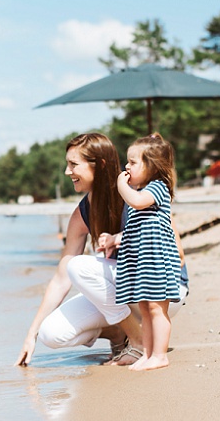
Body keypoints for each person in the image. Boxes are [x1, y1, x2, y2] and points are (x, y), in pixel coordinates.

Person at [15, 132, 188, 368]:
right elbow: (60, 279)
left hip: (162, 285)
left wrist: (126, 249)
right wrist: (30, 334)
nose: (68, 172)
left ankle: (138, 342)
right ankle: (120, 333)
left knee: (80, 266)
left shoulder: (140, 195)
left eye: (73, 164)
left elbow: (177, 255)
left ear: (101, 165)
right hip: (125, 286)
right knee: (51, 334)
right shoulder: (83, 213)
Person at [112, 133, 181, 371]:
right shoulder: (140, 191)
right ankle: (149, 353)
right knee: (144, 307)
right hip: (142, 261)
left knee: (156, 308)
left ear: (151, 166)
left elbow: (139, 202)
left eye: (132, 162)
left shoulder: (157, 188)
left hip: (157, 260)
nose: (126, 167)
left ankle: (160, 355)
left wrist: (122, 185)